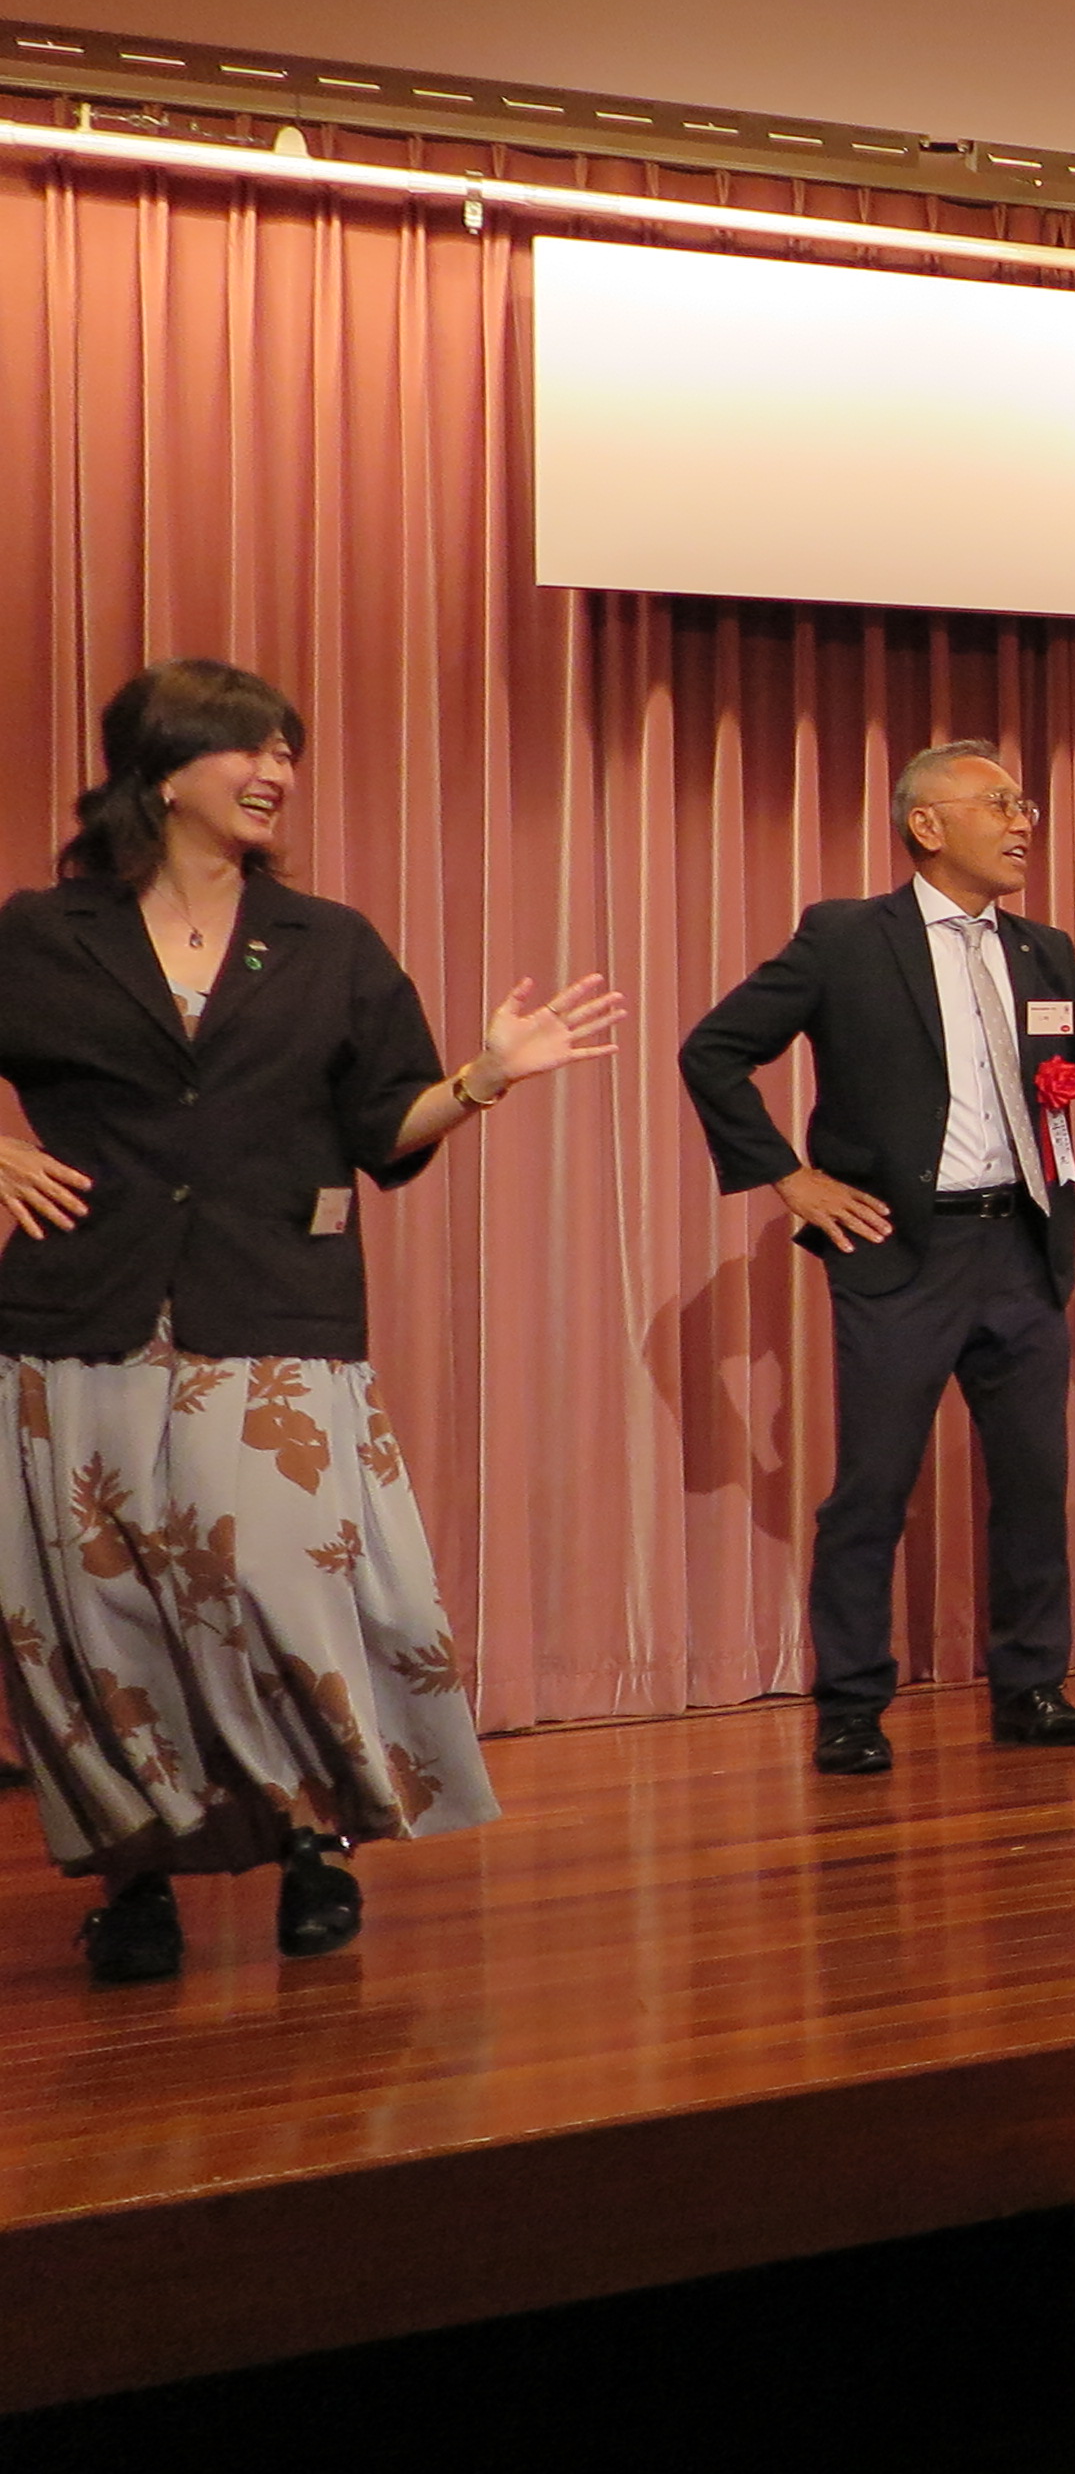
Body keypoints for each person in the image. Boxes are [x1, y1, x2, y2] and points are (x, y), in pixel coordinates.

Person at [0, 660, 621, 1982]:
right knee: (103, 1615)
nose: (277, 771)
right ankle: (138, 1877)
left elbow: (384, 1128)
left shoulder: (327, 942)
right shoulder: (44, 933)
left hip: (272, 1304)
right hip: (81, 1310)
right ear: (163, 770)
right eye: (250, 747)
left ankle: (310, 1846)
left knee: (282, 1587)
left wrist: (482, 1080)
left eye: (287, 750)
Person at [679, 740, 1075, 1778]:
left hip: (1022, 1246)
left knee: (1034, 1482)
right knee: (872, 1487)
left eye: (1025, 806)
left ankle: (1031, 1687)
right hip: (902, 1255)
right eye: (999, 804)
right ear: (925, 824)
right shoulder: (845, 938)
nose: (1023, 823)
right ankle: (850, 1704)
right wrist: (789, 1177)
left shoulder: (1043, 950)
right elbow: (714, 1052)